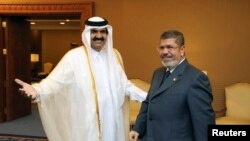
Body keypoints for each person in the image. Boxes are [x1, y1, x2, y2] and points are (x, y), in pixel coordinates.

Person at [15, 16, 147, 141]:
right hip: (87, 121)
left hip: (112, 120)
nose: (99, 36)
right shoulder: (74, 57)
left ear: (108, 34)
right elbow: (54, 82)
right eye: (94, 31)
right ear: (86, 34)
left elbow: (124, 86)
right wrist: (37, 90)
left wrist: (149, 97)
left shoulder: (114, 55)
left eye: (103, 32)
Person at [129, 30, 215, 141]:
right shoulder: (158, 73)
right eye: (161, 47)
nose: (165, 52)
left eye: (170, 47)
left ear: (182, 50)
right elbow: (148, 103)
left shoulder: (195, 78)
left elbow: (203, 123)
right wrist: (137, 129)